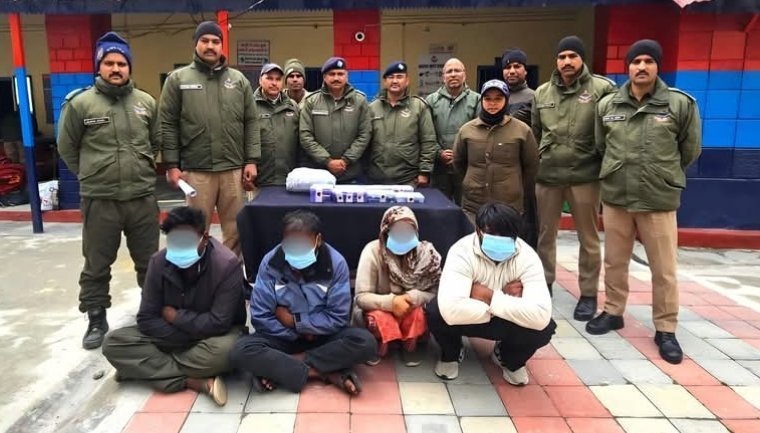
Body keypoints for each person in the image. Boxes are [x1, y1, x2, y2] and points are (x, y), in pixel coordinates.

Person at [588, 40, 701, 365]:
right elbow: (601, 146)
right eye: (636, 61)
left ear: (657, 66)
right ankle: (613, 311)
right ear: (628, 67)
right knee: (614, 261)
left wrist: (661, 173)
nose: (641, 67)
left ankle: (665, 328)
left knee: (664, 269)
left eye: (648, 61)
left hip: (657, 198)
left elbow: (690, 150)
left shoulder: (679, 104)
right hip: (617, 196)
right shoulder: (608, 105)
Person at [57, 32, 160, 350]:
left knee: (150, 263)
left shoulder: (145, 102)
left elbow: (155, 142)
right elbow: (66, 147)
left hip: (141, 197)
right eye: (109, 63)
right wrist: (91, 174)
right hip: (100, 200)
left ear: (129, 67)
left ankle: (152, 313)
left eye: (121, 63)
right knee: (97, 264)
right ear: (99, 66)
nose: (116, 68)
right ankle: (96, 318)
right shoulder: (80, 104)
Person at [102, 206, 246, 406]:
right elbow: (146, 318)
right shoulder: (158, 262)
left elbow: (219, 323)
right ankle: (193, 381)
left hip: (215, 337)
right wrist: (183, 338)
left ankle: (143, 369)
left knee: (232, 351)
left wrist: (176, 317)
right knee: (113, 344)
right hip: (173, 335)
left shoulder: (226, 265)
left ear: (204, 238)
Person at [230, 210, 377, 395]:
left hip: (321, 336)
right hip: (282, 337)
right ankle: (324, 372)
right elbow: (260, 315)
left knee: (365, 343)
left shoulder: (335, 264)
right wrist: (295, 333)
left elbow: (338, 317)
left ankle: (282, 369)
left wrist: (296, 322)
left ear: (318, 240)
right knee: (240, 350)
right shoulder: (270, 263)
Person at [425, 203, 556, 384]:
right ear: (478, 231)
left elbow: (540, 315)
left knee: (545, 328)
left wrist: (487, 296)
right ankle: (452, 353)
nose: (499, 239)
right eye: (492, 233)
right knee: (436, 312)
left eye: (506, 235)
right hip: (477, 318)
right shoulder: (461, 251)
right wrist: (505, 298)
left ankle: (507, 358)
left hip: (499, 318)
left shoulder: (527, 257)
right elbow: (451, 310)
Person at [159, 21, 260, 256]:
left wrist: (251, 160)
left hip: (233, 170)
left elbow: (251, 122)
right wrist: (171, 165)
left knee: (236, 232)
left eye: (215, 41)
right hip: (197, 170)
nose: (210, 46)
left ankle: (230, 274)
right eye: (204, 41)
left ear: (222, 46)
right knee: (195, 230)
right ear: (196, 44)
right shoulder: (178, 79)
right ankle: (196, 273)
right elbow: (167, 124)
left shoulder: (238, 80)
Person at [532, 35, 616, 315]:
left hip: (585, 176)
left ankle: (588, 294)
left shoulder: (602, 89)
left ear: (582, 59)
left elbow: (612, 133)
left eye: (572, 56)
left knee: (588, 238)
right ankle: (544, 284)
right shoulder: (542, 93)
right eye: (562, 57)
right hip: (548, 176)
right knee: (545, 235)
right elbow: (535, 133)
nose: (567, 61)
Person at [453, 80, 539, 247]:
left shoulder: (521, 130)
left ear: (506, 101)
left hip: (508, 203)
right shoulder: (467, 130)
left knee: (505, 249)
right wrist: (471, 181)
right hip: (474, 203)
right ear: (481, 101)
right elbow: (458, 163)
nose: (492, 103)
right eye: (488, 99)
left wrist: (514, 185)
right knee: (474, 247)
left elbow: (531, 166)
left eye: (498, 98)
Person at [353, 206, 441, 366]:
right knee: (379, 318)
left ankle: (411, 345)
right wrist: (391, 303)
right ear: (386, 231)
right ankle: (377, 344)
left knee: (421, 314)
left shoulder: (426, 255)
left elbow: (435, 293)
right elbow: (361, 297)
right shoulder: (372, 251)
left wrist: (412, 297)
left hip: (410, 306)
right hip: (379, 307)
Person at [299, 57, 371, 183]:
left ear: (346, 77)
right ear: (324, 77)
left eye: (340, 74)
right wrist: (327, 161)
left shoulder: (360, 101)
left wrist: (346, 160)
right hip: (319, 173)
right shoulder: (311, 102)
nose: (336, 78)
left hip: (351, 173)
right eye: (332, 74)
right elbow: (305, 135)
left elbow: (364, 134)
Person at [367, 61, 438, 186]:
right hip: (376, 178)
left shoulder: (419, 107)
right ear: (385, 82)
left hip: (408, 179)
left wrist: (424, 171)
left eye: (399, 77)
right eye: (391, 77)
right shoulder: (372, 108)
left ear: (407, 81)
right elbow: (364, 140)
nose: (395, 81)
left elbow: (428, 141)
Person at [426, 58, 479, 203]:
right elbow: (427, 134)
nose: (453, 74)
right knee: (439, 208)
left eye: (457, 71)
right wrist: (439, 153)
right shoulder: (431, 101)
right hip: (439, 169)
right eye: (449, 71)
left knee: (466, 208)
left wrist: (460, 154)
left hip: (466, 167)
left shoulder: (477, 100)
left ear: (464, 75)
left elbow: (480, 133)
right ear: (443, 77)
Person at [254, 63, 300, 187]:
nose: (274, 83)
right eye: (269, 78)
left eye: (278, 79)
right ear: (260, 80)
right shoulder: (250, 105)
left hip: (289, 179)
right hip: (259, 179)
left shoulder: (293, 106)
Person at [501, 48, 534, 125]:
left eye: (517, 66)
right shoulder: (496, 97)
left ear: (525, 71)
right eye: (508, 67)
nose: (512, 71)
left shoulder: (535, 97)